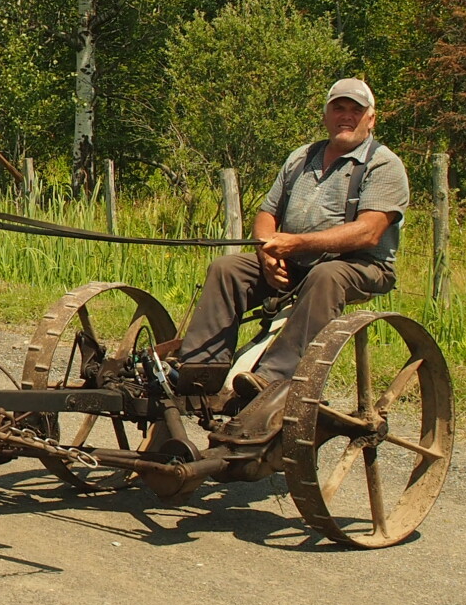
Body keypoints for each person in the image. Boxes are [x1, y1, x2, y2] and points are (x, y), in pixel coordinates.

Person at [175, 77, 410, 402]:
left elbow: (369, 232)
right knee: (227, 268)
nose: (346, 116)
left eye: (356, 110)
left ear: (371, 118)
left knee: (326, 276)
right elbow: (267, 214)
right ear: (325, 115)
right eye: (338, 108)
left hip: (361, 267)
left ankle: (272, 381)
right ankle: (200, 371)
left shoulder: (384, 165)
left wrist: (296, 244)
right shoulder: (302, 157)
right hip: (295, 263)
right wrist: (267, 253)